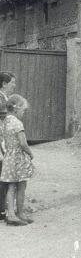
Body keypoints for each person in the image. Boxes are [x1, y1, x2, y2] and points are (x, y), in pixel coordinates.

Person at [0, 94, 34, 226]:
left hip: (9, 157)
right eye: (23, 110)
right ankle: (19, 212)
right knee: (22, 185)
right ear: (16, 109)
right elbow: (23, 143)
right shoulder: (17, 123)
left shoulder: (5, 121)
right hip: (18, 158)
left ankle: (12, 214)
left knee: (11, 186)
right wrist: (30, 153)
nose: (23, 113)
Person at [0, 71, 16, 221]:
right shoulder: (1, 99)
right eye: (12, 83)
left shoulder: (5, 98)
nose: (14, 86)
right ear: (4, 84)